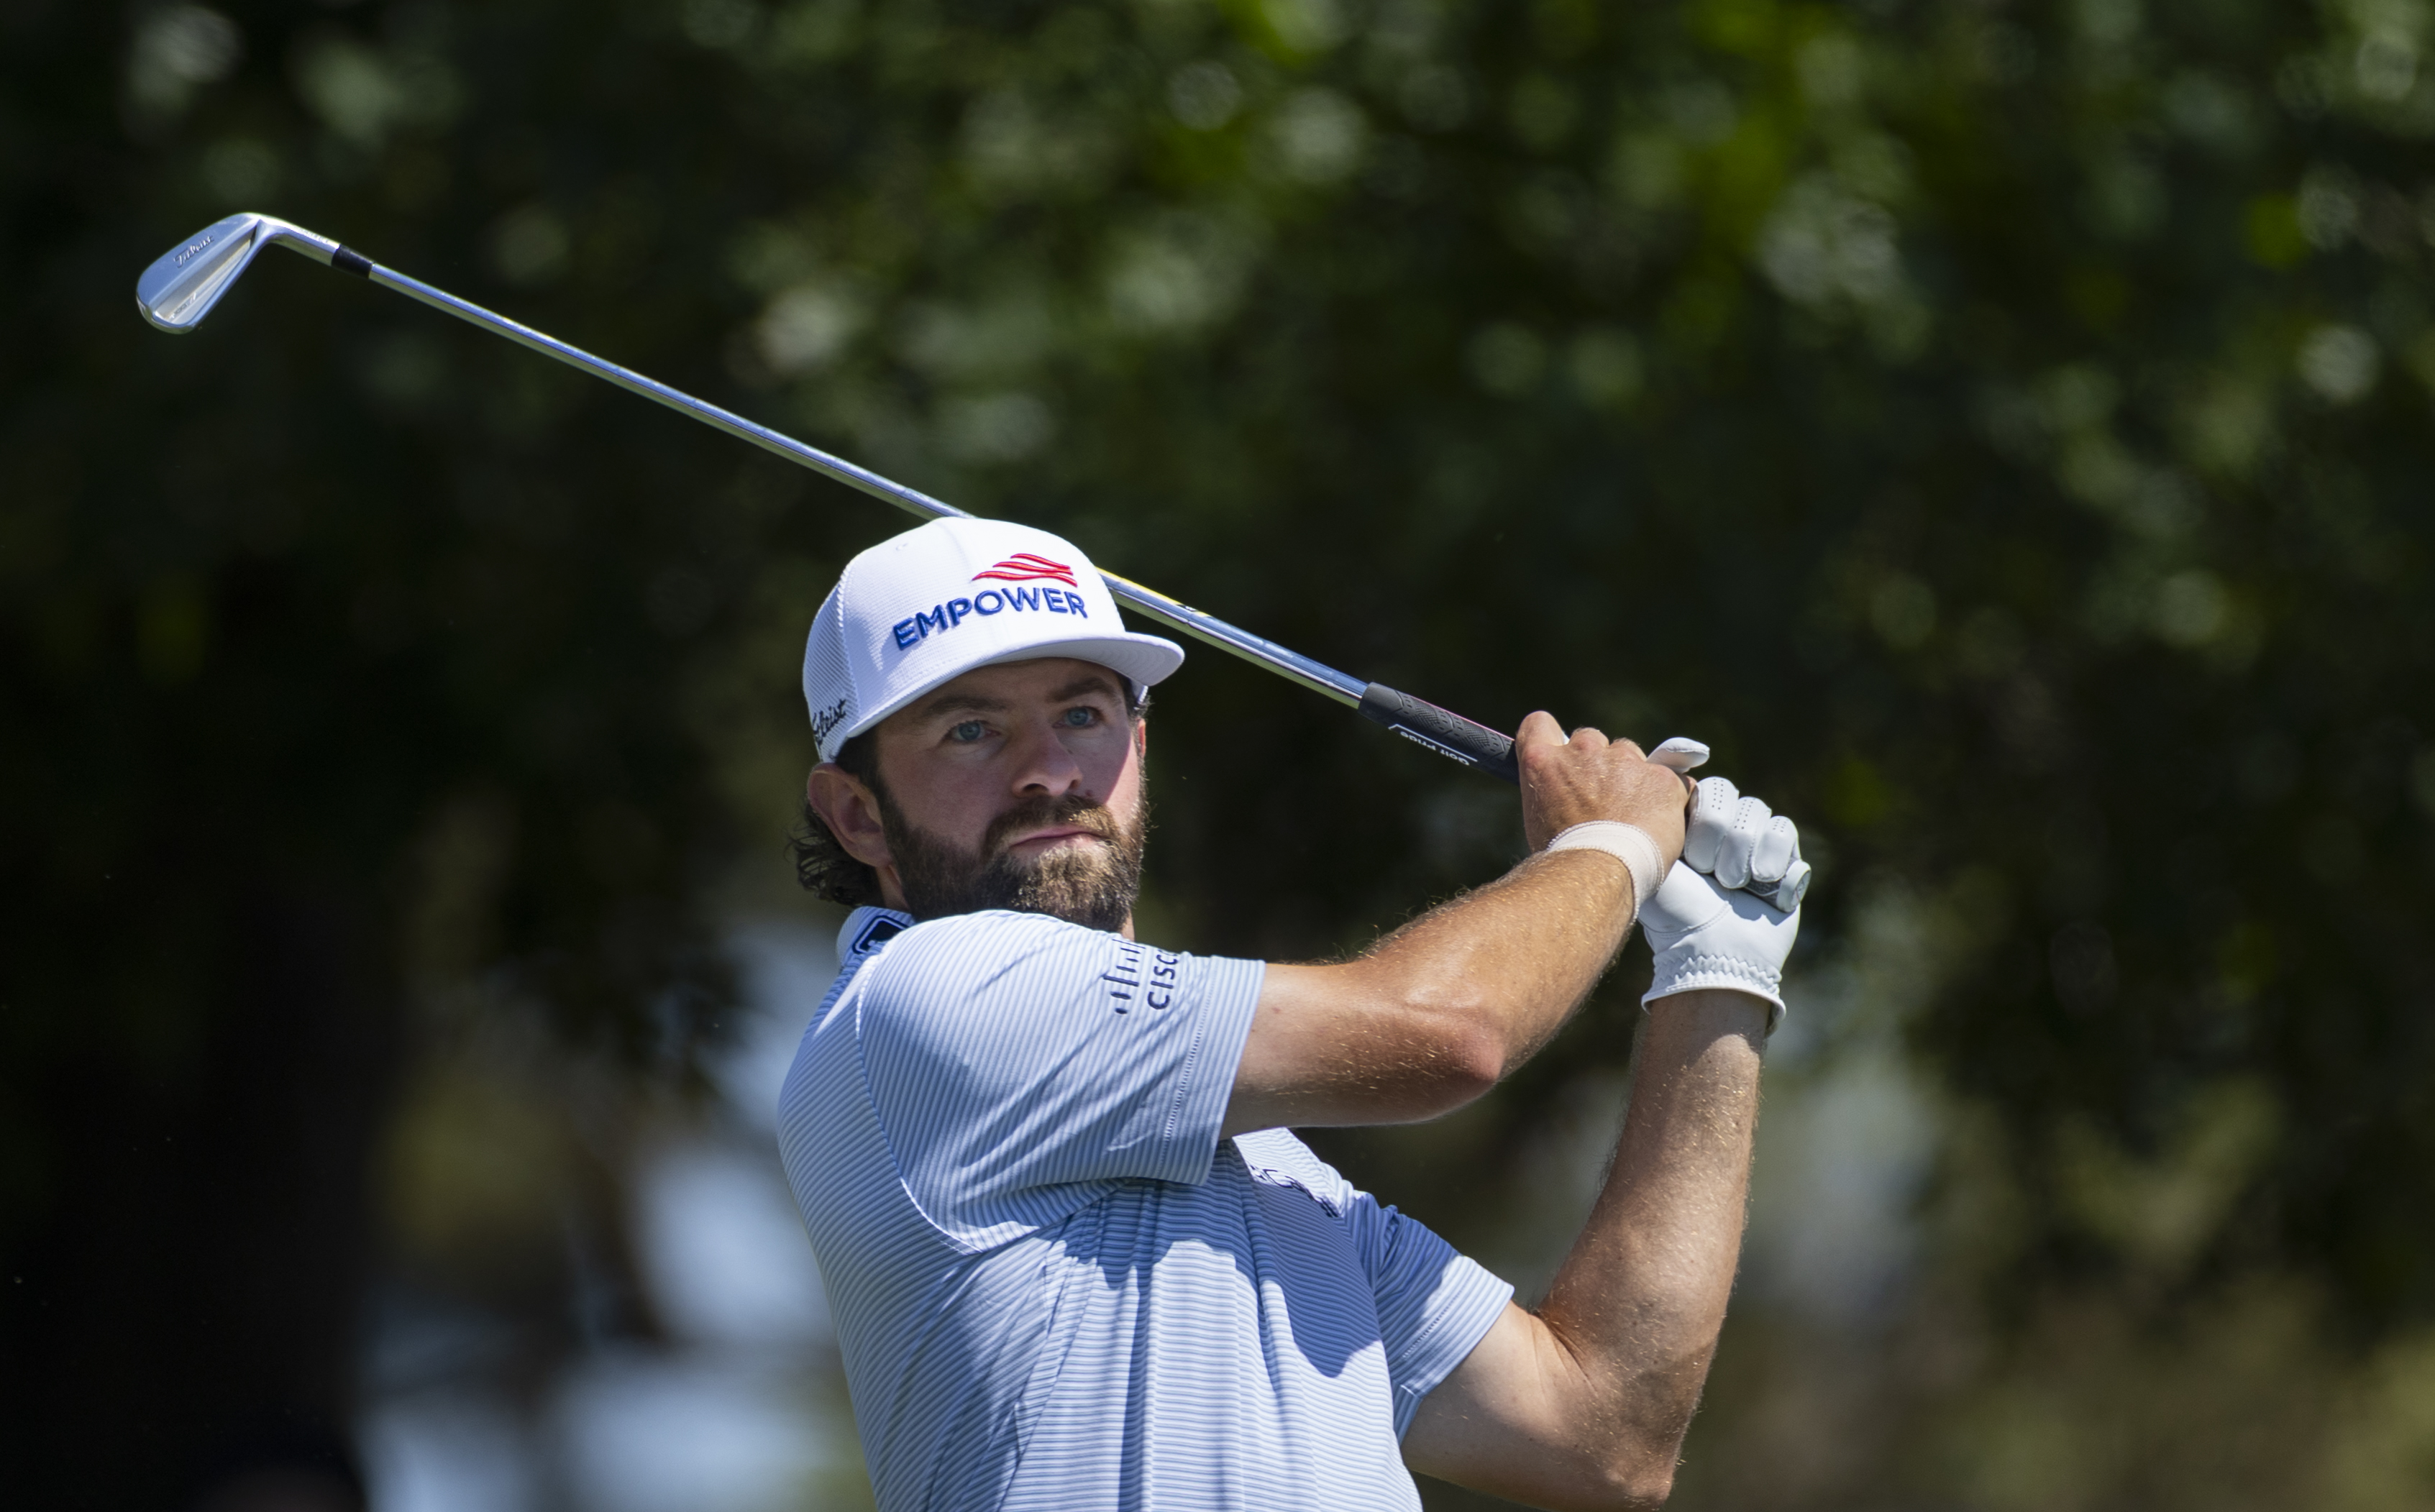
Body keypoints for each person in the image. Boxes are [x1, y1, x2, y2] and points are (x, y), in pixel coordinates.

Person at [776, 517, 1806, 1512]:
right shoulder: (932, 996)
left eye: (1082, 714)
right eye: (970, 731)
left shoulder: (1271, 1167)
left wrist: (1712, 978)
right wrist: (1611, 845)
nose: (1048, 770)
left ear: (1137, 744)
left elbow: (1599, 1436)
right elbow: (1447, 1032)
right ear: (857, 813)